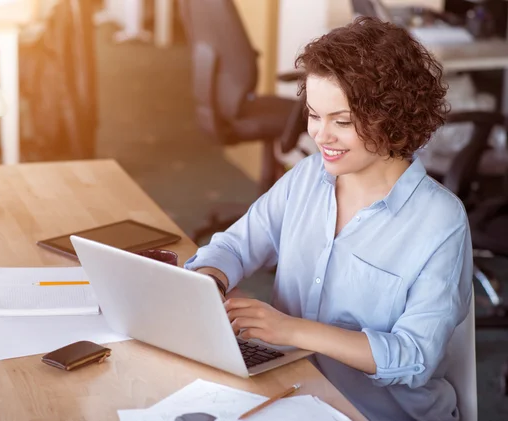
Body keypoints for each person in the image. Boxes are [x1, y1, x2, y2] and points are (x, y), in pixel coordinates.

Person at [184, 16, 472, 421]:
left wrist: (292, 331)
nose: (320, 136)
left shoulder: (439, 221)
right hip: (295, 392)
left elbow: (415, 357)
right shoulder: (307, 177)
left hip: (377, 414)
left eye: (342, 122)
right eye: (314, 115)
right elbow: (236, 244)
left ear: (394, 119)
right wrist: (210, 279)